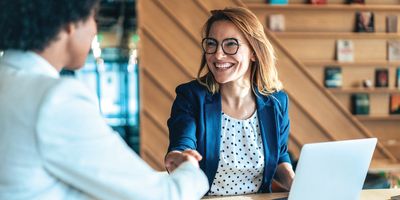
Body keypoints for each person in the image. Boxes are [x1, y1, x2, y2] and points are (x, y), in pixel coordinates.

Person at [0, 0, 208, 199]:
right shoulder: (55, 99)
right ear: (70, 24)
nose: (94, 29)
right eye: (93, 17)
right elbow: (166, 195)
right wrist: (190, 166)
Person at [164, 7, 295, 196]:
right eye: (212, 44)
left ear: (254, 52)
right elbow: (183, 143)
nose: (218, 55)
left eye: (231, 44)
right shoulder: (191, 96)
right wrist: (179, 157)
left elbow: (280, 155)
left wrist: (295, 182)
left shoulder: (276, 101)